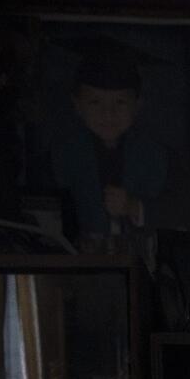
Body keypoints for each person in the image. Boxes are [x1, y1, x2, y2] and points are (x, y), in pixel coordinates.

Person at [48, 35, 170, 242]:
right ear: (77, 105)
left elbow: (177, 212)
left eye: (120, 102)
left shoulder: (157, 156)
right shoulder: (61, 157)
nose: (108, 114)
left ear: (138, 104)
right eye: (95, 102)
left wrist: (134, 206)